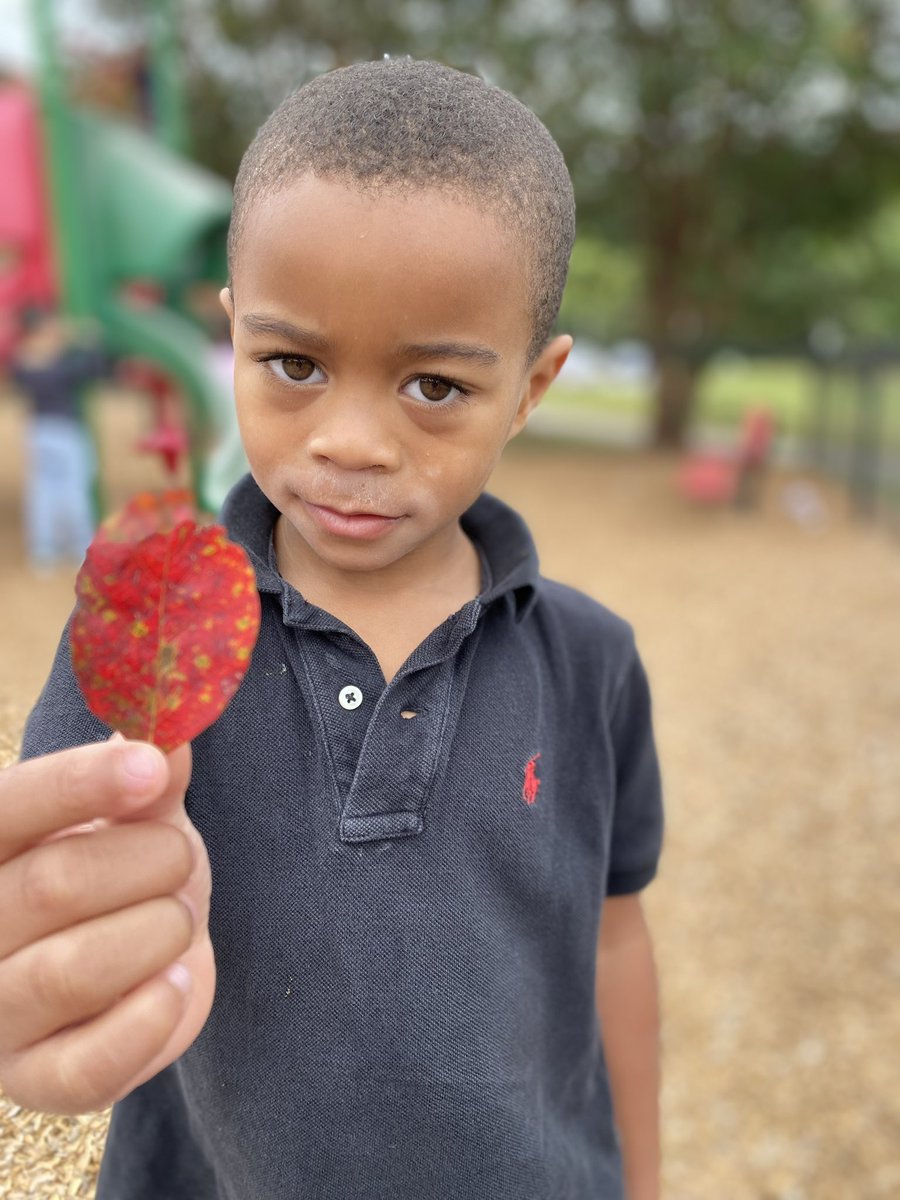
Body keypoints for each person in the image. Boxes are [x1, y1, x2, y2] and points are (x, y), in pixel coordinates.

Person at [0, 59, 664, 1200]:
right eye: (293, 364)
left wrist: (645, 1181)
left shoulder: (592, 663)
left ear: (534, 387)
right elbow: (55, 893)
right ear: (234, 335)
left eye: (435, 387)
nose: (350, 441)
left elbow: (612, 941)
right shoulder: (156, 624)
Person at [9, 308, 104, 571]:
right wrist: (86, 340)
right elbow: (91, 367)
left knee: (43, 491)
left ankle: (45, 549)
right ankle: (78, 545)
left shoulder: (24, 362)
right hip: (65, 430)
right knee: (73, 488)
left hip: (39, 431)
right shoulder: (57, 365)